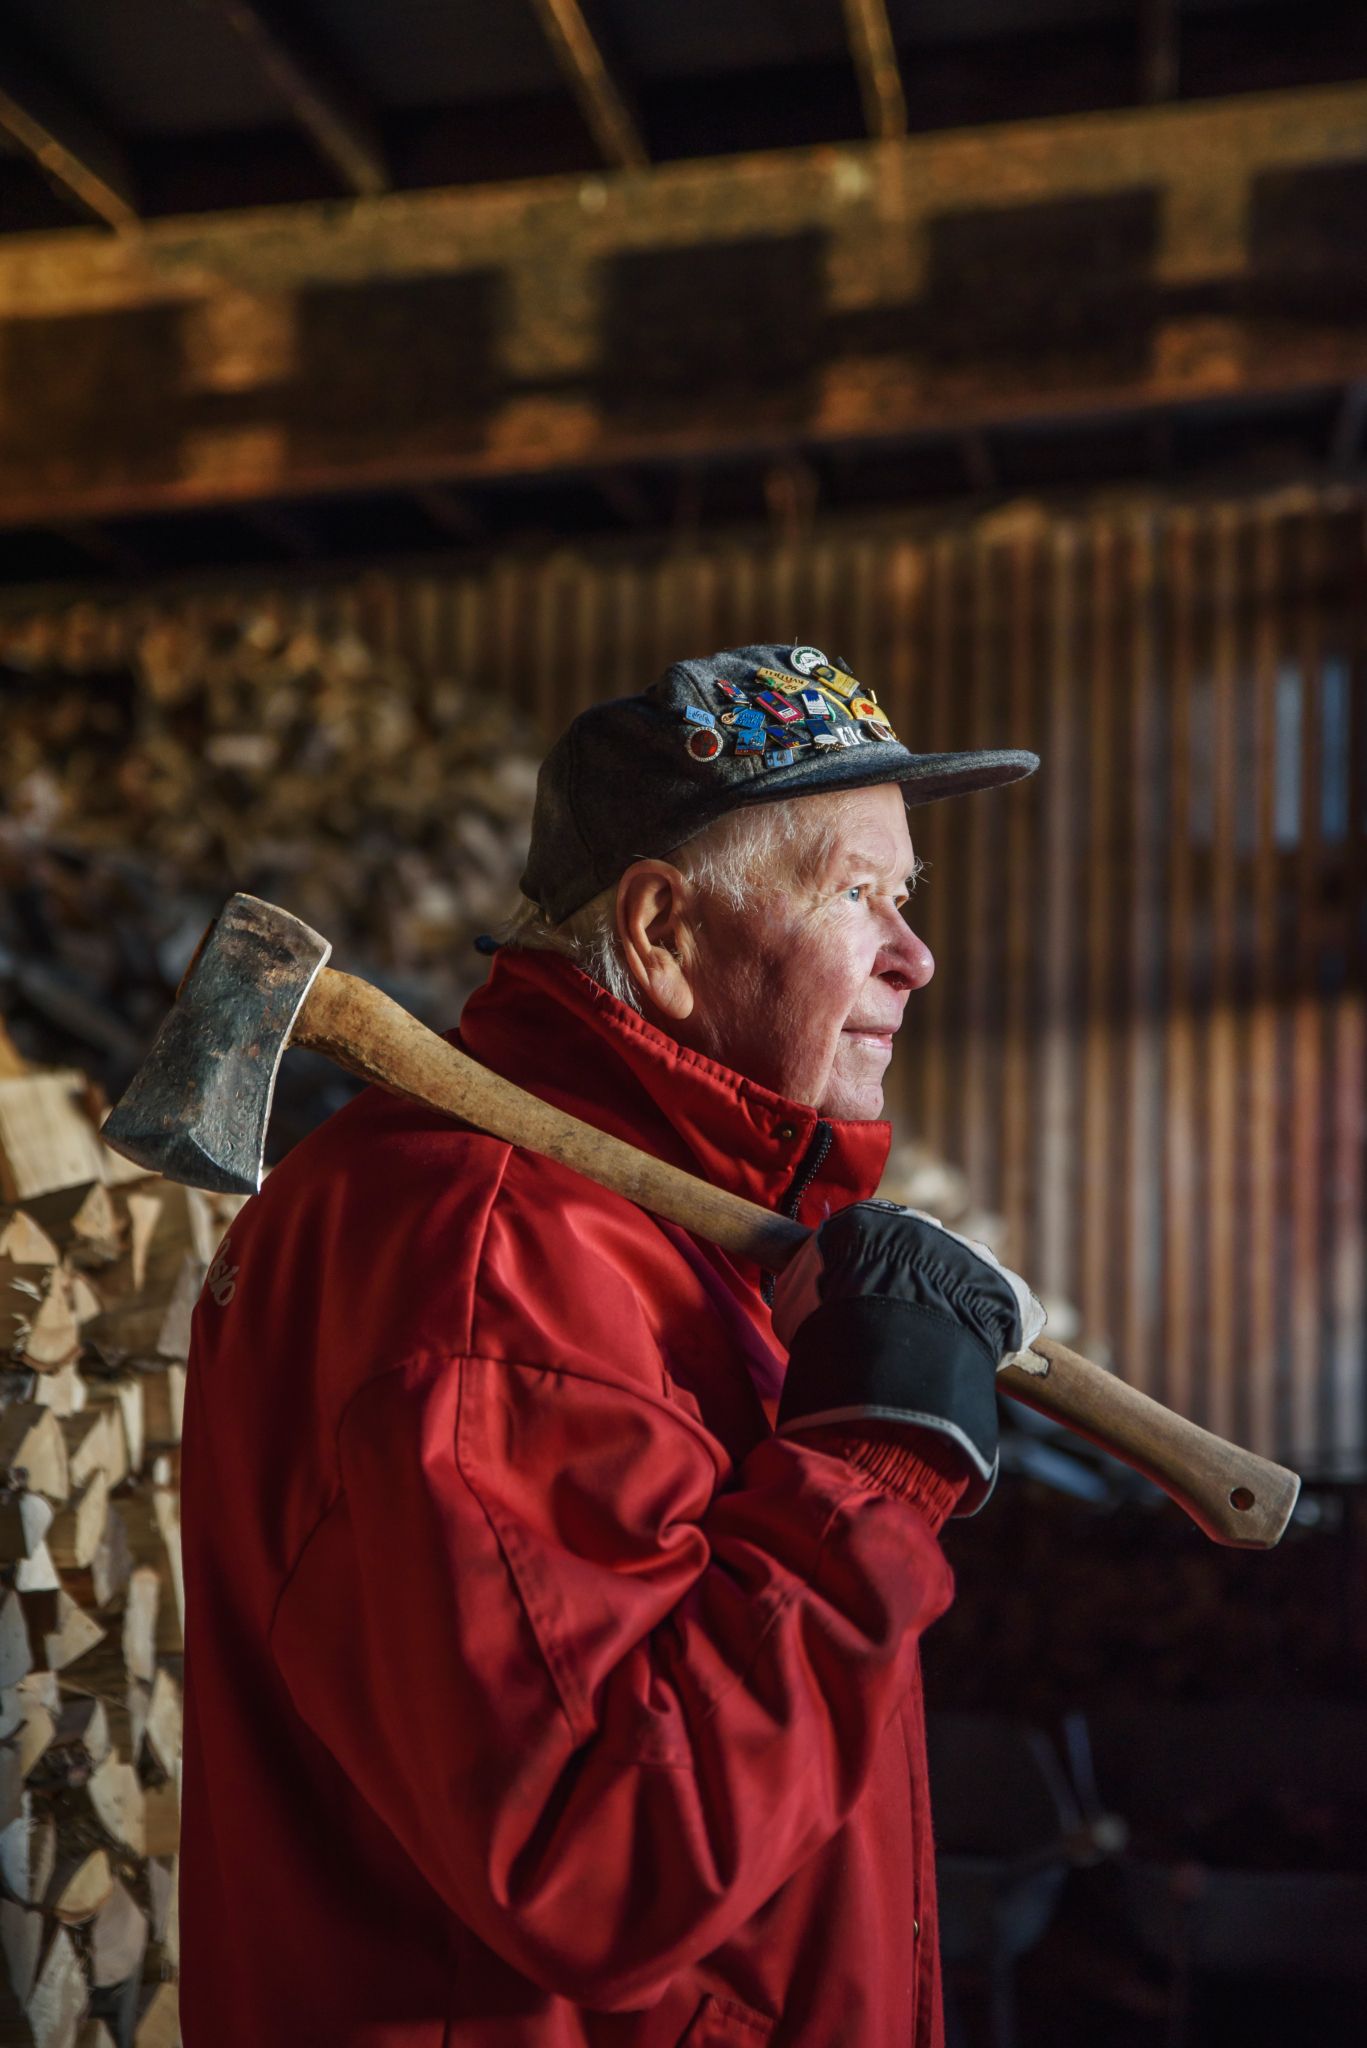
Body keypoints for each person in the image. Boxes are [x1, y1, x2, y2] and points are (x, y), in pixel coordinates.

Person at [180, 643, 1041, 2047]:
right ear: (661, 933)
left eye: (911, 898)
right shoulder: (493, 1264)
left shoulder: (637, 1239)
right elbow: (612, 1854)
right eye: (860, 898)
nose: (916, 954)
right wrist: (872, 1474)